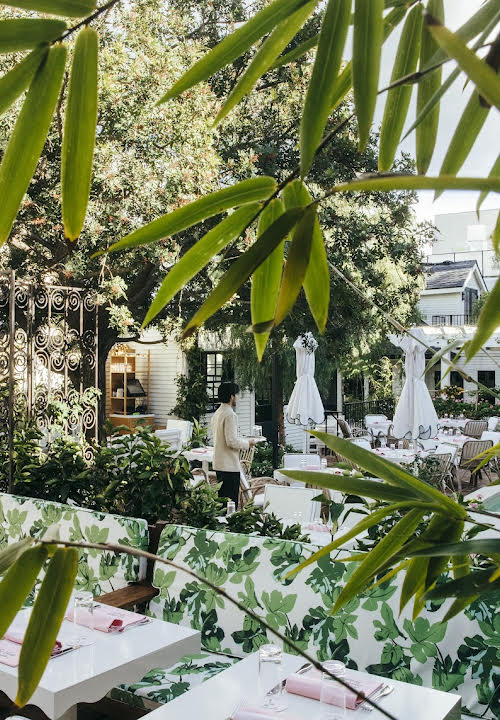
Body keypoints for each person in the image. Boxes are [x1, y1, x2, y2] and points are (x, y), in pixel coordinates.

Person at [211, 381, 255, 507]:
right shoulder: (230, 414)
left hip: (219, 464)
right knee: (230, 505)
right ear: (231, 396)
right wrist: (248, 443)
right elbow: (231, 441)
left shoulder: (217, 413)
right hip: (229, 465)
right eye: (236, 394)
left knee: (222, 504)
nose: (237, 398)